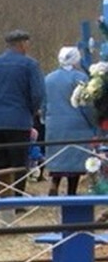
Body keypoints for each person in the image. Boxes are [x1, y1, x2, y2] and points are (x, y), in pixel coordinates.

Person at [0, 29, 46, 198]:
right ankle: (15, 199)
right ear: (22, 44)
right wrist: (30, 111)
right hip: (19, 121)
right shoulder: (30, 65)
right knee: (19, 164)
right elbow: (37, 94)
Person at [44, 47, 98, 196]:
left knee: (57, 156)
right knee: (74, 159)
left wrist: (45, 119)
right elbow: (86, 104)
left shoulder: (48, 78)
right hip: (76, 124)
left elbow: (43, 103)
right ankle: (71, 192)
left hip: (54, 123)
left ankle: (54, 183)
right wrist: (94, 123)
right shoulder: (80, 78)